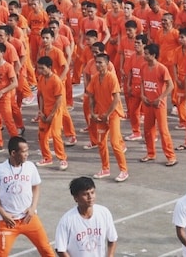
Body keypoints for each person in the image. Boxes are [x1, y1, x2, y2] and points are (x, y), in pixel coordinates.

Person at [0, 135, 54, 257]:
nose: (27, 154)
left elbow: (36, 187)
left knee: (47, 250)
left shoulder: (30, 167)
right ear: (13, 153)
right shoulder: (0, 169)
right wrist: (3, 214)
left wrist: (33, 208)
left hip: (29, 218)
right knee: (1, 254)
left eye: (27, 151)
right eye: (24, 151)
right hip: (9, 221)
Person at [87, 51, 129, 182]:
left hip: (113, 115)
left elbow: (116, 99)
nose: (98, 65)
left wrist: (108, 114)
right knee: (101, 142)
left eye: (100, 63)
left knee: (115, 143)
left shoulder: (111, 78)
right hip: (100, 115)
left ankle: (124, 170)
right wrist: (92, 113)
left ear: (107, 64)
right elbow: (91, 97)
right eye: (96, 62)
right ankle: (105, 168)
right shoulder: (95, 78)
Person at [55, 176, 118, 257]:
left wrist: (110, 255)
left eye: (92, 192)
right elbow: (60, 249)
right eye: (85, 194)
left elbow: (112, 239)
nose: (90, 197)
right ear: (75, 198)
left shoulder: (104, 213)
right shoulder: (67, 220)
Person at [34, 56, 66, 168]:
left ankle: (62, 159)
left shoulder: (56, 80)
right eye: (38, 68)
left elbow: (59, 100)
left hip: (55, 111)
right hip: (45, 110)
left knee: (56, 135)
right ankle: (47, 157)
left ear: (49, 67)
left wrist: (51, 115)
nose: (40, 71)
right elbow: (41, 96)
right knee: (42, 135)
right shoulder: (41, 79)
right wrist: (41, 112)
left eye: (42, 68)